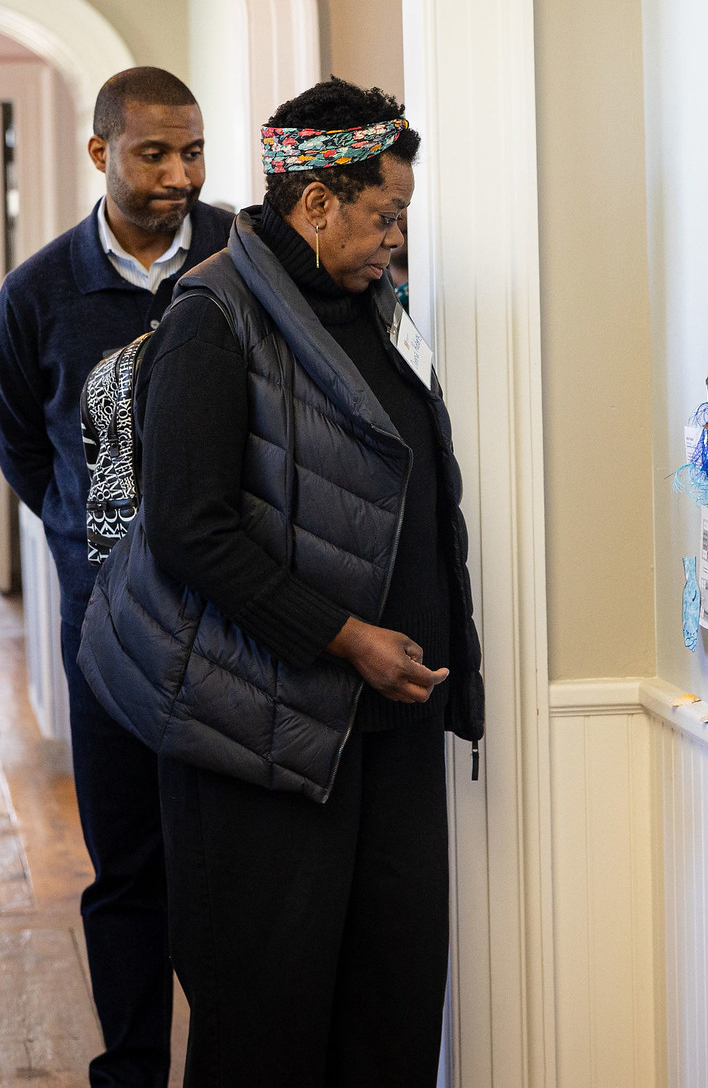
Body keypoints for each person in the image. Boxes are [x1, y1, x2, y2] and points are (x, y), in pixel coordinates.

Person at [128, 77, 482, 1086]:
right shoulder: (212, 316)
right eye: (385, 214)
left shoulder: (374, 310)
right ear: (316, 201)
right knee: (267, 1023)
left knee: (393, 1006)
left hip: (389, 730)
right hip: (264, 734)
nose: (395, 237)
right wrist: (346, 637)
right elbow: (189, 530)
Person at [0, 66, 230, 1088]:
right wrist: (98, 548)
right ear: (101, 153)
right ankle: (129, 1069)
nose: (178, 174)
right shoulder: (40, 292)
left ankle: (233, 1062)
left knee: (225, 872)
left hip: (235, 626)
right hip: (111, 634)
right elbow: (25, 454)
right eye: (152, 153)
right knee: (126, 866)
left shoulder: (245, 257)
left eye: (193, 151)